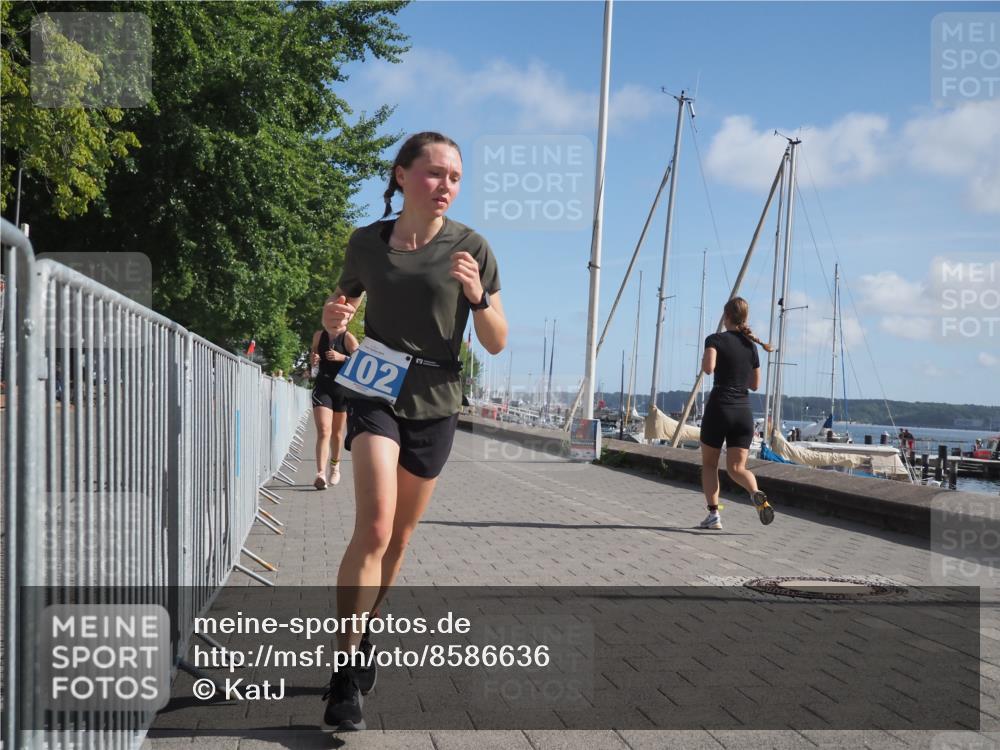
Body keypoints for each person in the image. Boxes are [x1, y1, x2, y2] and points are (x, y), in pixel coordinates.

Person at [320, 131, 507, 731]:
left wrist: (478, 297)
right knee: (373, 527)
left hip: (437, 394)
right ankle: (345, 672)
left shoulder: (472, 247)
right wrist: (331, 320)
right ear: (402, 176)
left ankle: (366, 630)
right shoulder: (366, 243)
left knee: (399, 540)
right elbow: (340, 310)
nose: (446, 185)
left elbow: (497, 341)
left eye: (455, 176)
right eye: (434, 174)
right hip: (375, 383)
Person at [698, 297, 775, 530]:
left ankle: (714, 516)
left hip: (720, 407)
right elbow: (755, 385)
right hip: (743, 412)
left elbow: (708, 369)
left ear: (726, 316)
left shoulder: (715, 339)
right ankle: (755, 492)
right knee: (737, 469)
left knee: (710, 465)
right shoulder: (751, 347)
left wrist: (708, 356)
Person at [310, 322, 359, 489]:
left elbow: (360, 361)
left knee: (337, 434)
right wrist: (314, 359)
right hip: (323, 385)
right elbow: (314, 356)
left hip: (342, 389)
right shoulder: (319, 335)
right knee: (324, 430)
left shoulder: (348, 338)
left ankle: (335, 466)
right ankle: (320, 474)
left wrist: (342, 357)